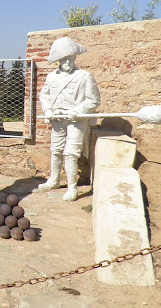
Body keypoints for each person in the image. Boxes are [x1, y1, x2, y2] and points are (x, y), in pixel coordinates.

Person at [38, 37, 100, 201]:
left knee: (71, 153)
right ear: (59, 60)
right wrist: (48, 109)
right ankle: (54, 180)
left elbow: (93, 100)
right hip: (58, 118)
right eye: (64, 59)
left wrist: (78, 110)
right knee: (56, 150)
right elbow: (44, 94)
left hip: (76, 120)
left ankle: (72, 187)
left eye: (71, 58)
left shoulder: (85, 76)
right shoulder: (51, 77)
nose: (68, 62)